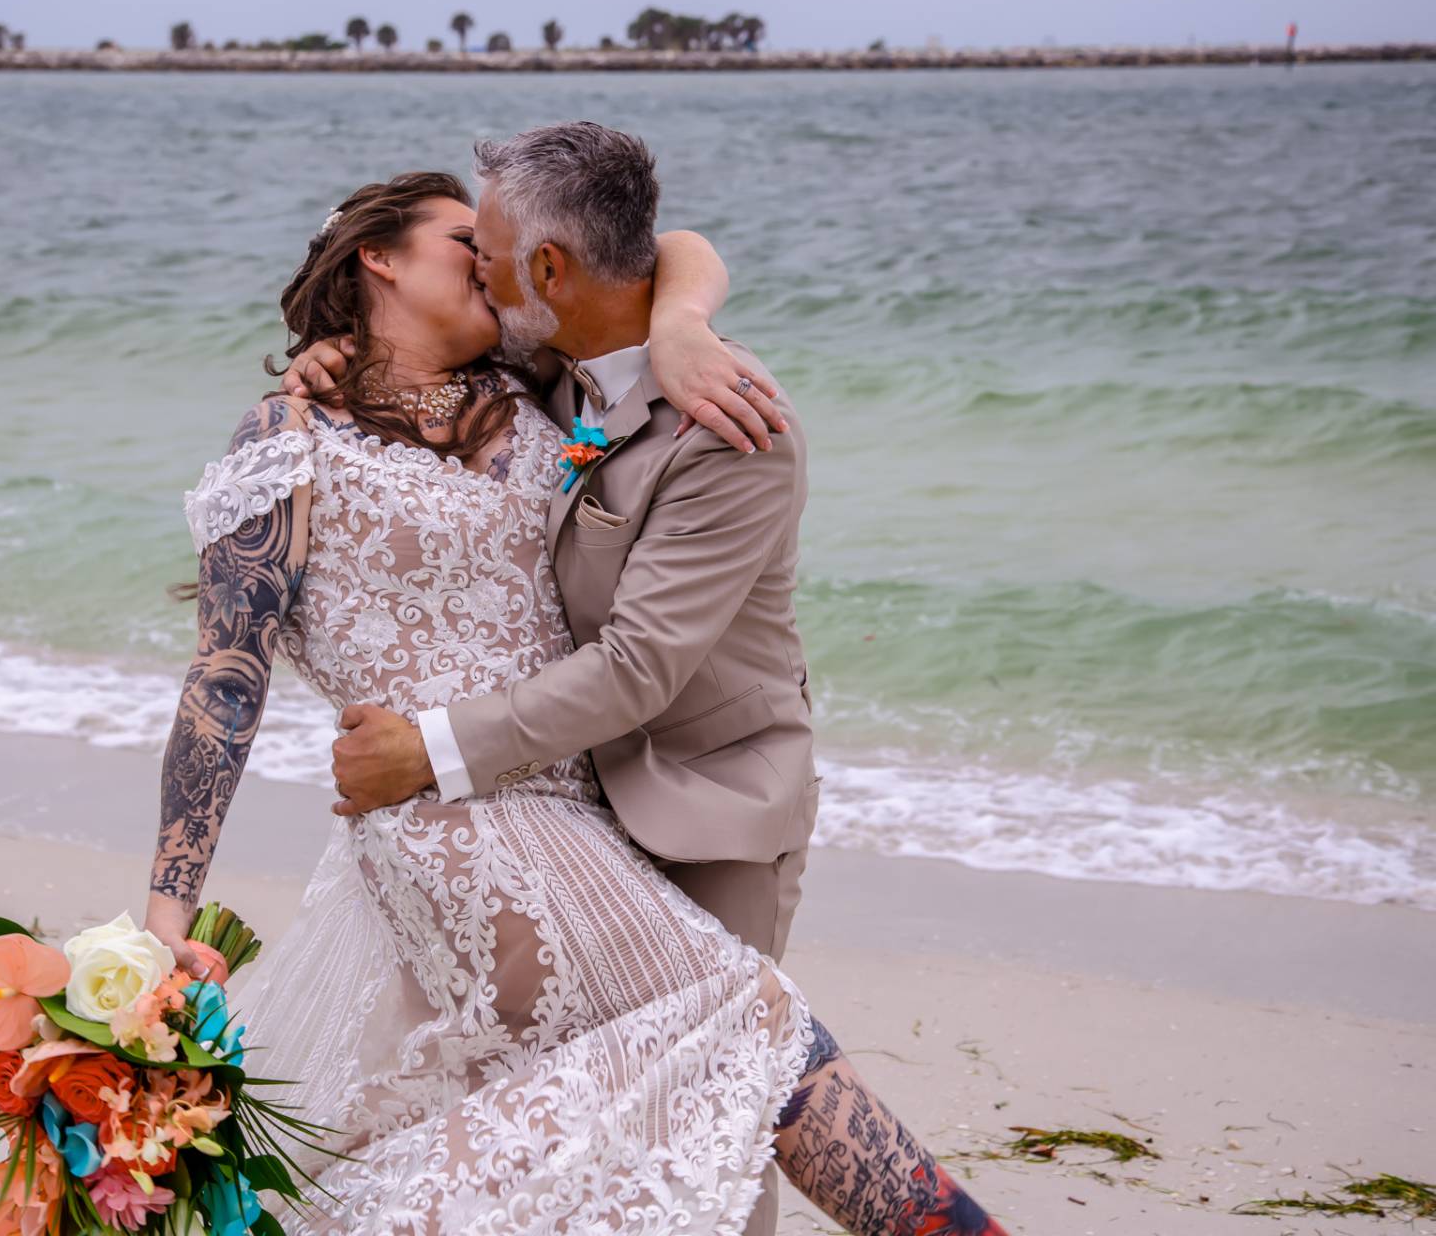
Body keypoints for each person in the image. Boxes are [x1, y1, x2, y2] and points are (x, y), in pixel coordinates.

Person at [302, 123, 1012, 1236]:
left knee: (726, 1098)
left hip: (707, 804)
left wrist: (427, 747)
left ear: (548, 271)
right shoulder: (549, 358)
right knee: (573, 1104)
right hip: (570, 809)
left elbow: (636, 666)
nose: (475, 270)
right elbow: (674, 248)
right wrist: (336, 360)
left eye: (487, 249)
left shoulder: (734, 428)